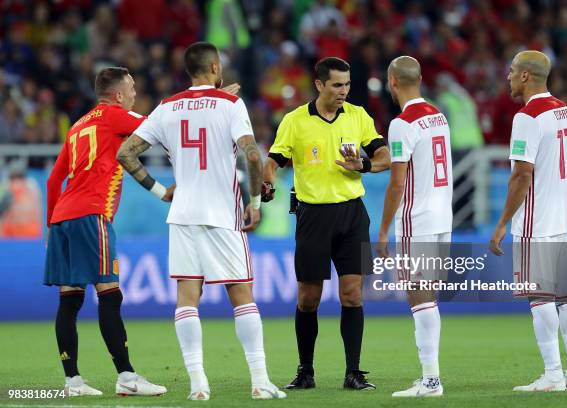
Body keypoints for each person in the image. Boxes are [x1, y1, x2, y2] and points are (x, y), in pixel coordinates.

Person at [116, 42, 286, 401]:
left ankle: (198, 385)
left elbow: (125, 153)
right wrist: (255, 202)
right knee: (241, 296)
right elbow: (253, 156)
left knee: (187, 299)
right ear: (214, 67)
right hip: (222, 214)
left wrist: (162, 191)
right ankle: (259, 381)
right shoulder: (230, 104)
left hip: (183, 215)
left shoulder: (167, 107)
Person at [262, 57, 390, 391]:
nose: (343, 91)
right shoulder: (295, 121)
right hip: (313, 216)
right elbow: (273, 160)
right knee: (308, 298)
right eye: (337, 85)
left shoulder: (358, 116)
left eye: (347, 84)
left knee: (352, 294)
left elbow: (384, 158)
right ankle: (305, 371)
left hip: (352, 214)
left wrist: (362, 165)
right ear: (319, 85)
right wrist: (267, 182)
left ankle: (354, 372)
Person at [44, 67, 167, 397]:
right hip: (91, 214)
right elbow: (159, 125)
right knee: (109, 294)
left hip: (62, 218)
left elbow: (55, 180)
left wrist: (49, 225)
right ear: (118, 95)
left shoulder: (76, 126)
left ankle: (73, 381)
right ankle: (126, 376)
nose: (135, 92)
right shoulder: (116, 116)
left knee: (70, 300)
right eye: (131, 88)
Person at [490, 51, 567, 392]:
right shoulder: (565, 111)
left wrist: (502, 223)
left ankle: (553, 375)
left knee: (540, 297)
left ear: (526, 76)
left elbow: (521, 177)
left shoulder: (527, 116)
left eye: (512, 71)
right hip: (564, 218)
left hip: (536, 221)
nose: (509, 77)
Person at [376, 56, 452, 397]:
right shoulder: (438, 115)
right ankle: (430, 377)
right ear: (418, 78)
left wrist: (382, 230)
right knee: (428, 296)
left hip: (417, 218)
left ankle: (431, 380)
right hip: (443, 218)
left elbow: (397, 183)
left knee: (418, 296)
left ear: (393, 80)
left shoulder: (402, 123)